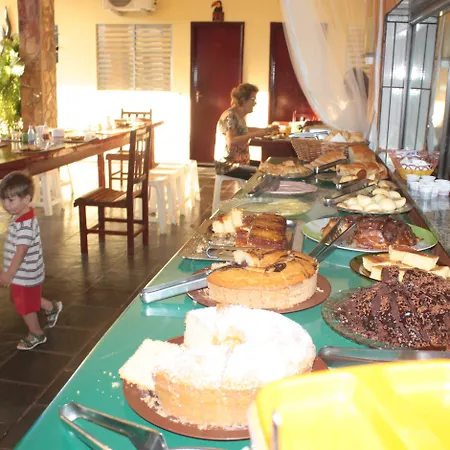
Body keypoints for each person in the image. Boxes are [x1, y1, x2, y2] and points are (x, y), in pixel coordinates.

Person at [0, 171, 62, 350]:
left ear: (26, 199)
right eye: (3, 199)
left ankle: (36, 333)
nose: (6, 204)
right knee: (28, 297)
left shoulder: (25, 225)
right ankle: (51, 307)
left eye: (11, 200)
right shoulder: (22, 216)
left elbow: (21, 251)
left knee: (25, 305)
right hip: (28, 272)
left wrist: (9, 273)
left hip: (24, 274)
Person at [214, 83, 279, 180]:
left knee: (270, 167)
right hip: (228, 165)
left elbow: (244, 129)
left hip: (240, 162)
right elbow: (231, 141)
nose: (255, 103)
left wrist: (266, 130)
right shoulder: (230, 116)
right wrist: (255, 134)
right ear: (243, 100)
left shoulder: (238, 115)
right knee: (265, 174)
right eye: (253, 99)